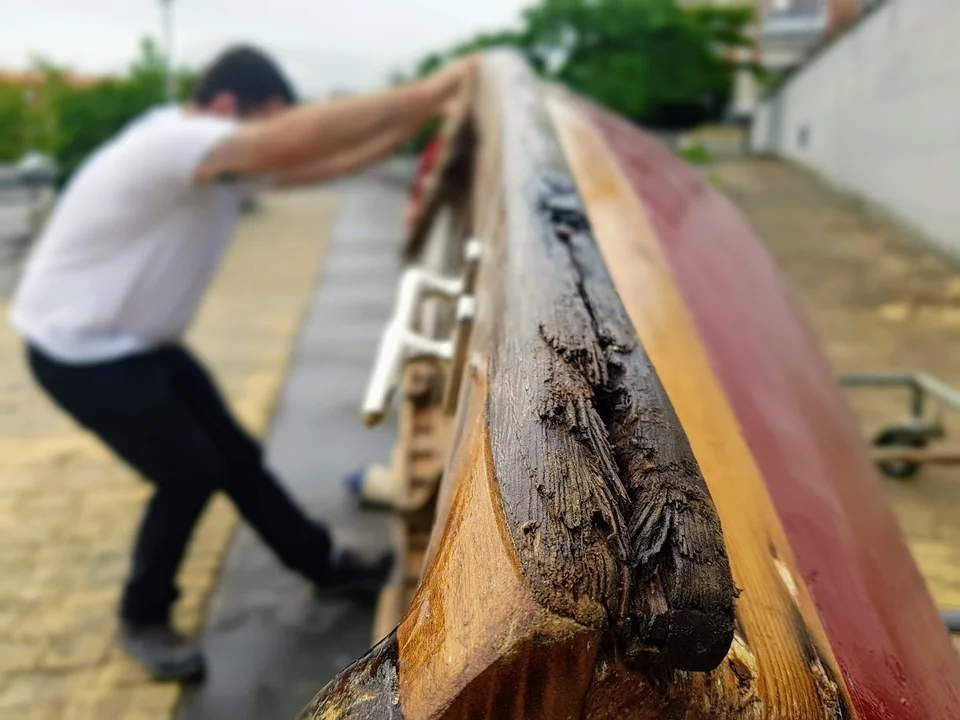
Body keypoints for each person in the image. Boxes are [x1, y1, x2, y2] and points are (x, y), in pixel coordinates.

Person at [8, 45, 476, 682]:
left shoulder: (217, 159)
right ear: (228, 105)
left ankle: (322, 565)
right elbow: (289, 143)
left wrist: (422, 117)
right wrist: (429, 90)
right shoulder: (172, 140)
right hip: (80, 352)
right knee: (189, 474)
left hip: (139, 346)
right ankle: (143, 615)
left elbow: (324, 160)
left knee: (235, 458)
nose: (275, 138)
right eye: (270, 121)